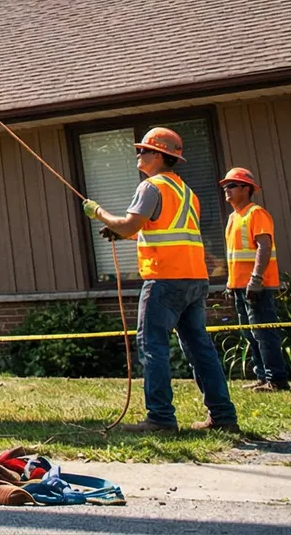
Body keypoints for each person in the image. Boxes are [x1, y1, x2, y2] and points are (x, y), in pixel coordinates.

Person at [85, 127, 239, 433]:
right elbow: (161, 230)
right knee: (200, 349)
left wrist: (98, 212)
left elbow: (129, 226)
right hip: (194, 279)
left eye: (143, 150)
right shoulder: (186, 192)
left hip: (165, 279)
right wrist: (124, 233)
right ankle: (223, 417)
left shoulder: (151, 187)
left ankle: (160, 418)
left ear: (158, 155)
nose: (138, 154)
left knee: (152, 346)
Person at [222, 167, 291, 391]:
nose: (226, 190)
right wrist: (231, 283)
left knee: (263, 332)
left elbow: (264, 246)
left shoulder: (256, 213)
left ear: (246, 189)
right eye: (225, 186)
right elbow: (234, 255)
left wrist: (256, 279)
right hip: (240, 286)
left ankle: (276, 379)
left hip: (257, 286)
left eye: (231, 185)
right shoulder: (233, 218)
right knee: (250, 333)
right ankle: (263, 377)